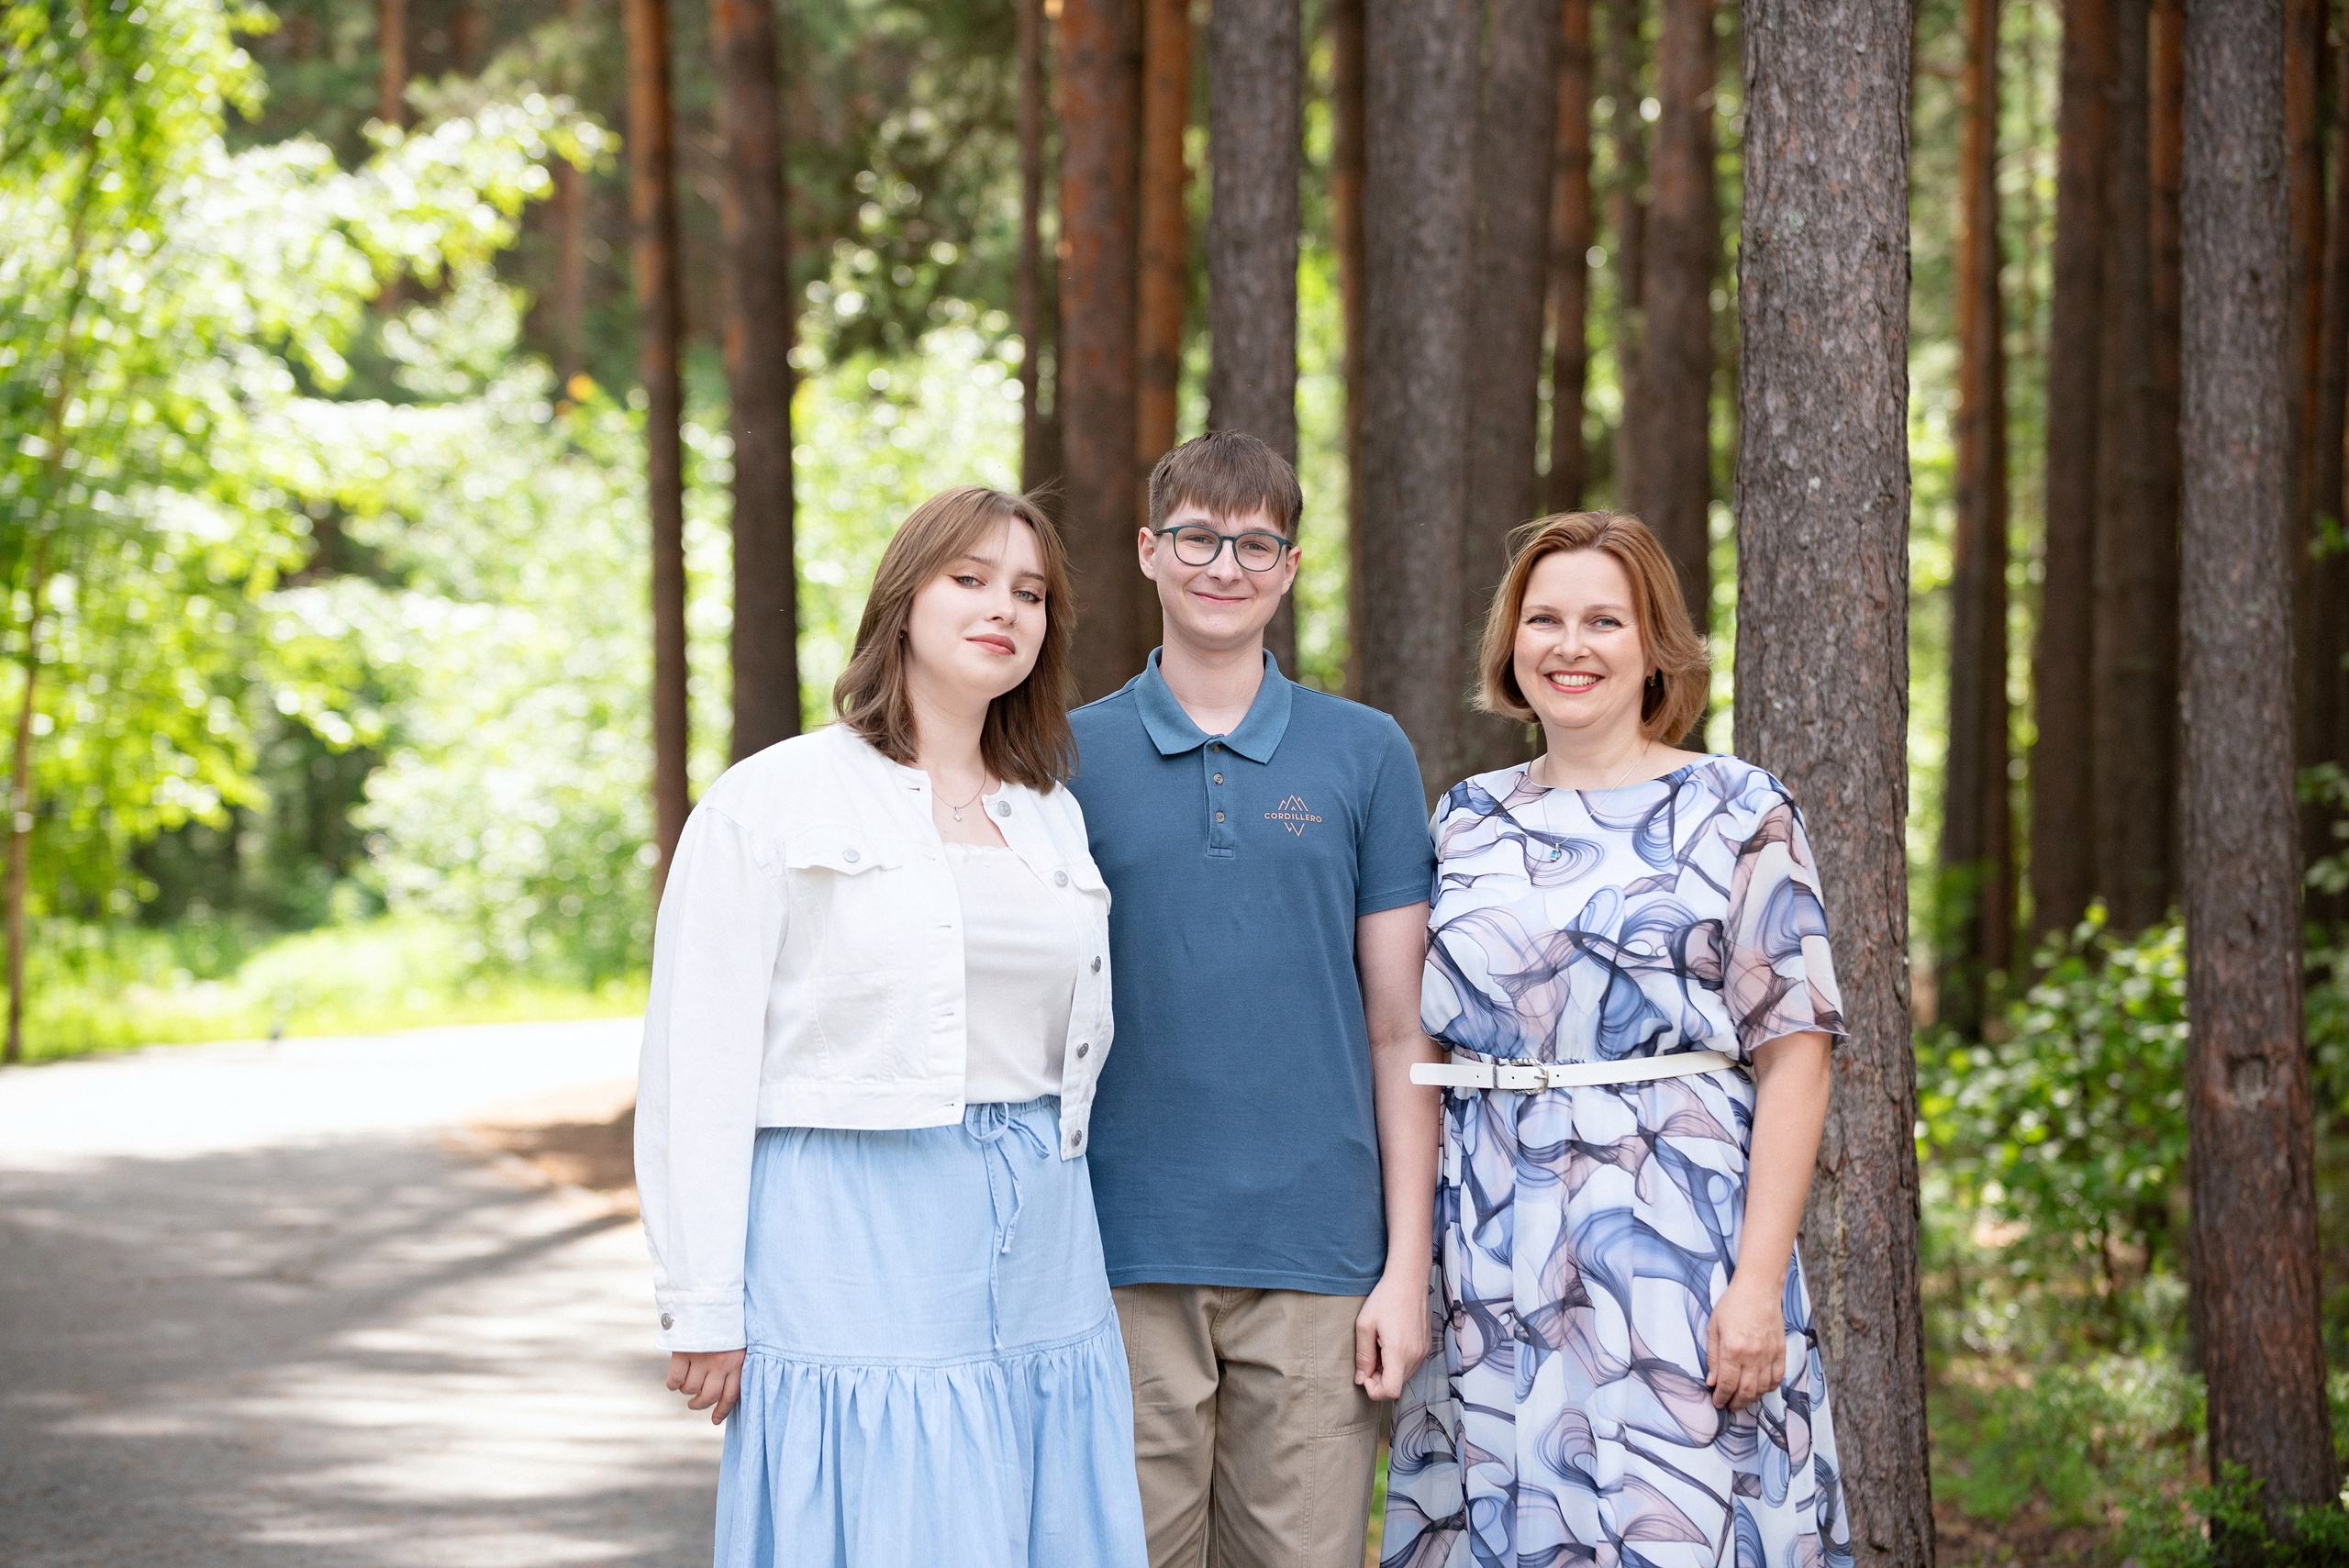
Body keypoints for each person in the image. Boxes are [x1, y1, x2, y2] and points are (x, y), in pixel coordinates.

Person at [634, 485, 1148, 1568]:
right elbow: (697, 1061)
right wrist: (702, 1300)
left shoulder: (1049, 811)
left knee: (1039, 1505)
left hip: (1042, 1223)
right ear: (903, 600)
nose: (1002, 607)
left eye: (1030, 592)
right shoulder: (772, 798)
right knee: (895, 1512)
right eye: (969, 578)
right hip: (851, 1222)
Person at [1379, 510, 1853, 1568]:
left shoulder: (1736, 805)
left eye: (1603, 620)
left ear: (1654, 647)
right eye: (1543, 619)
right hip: (1491, 1238)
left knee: (1672, 1517)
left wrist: (1756, 1282)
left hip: (1673, 1234)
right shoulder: (1464, 818)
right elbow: (1412, 1039)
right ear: (1510, 643)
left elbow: (1796, 1054)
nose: (1570, 645)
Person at [1065, 431, 1443, 1568]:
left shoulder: (1365, 752)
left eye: (1254, 544)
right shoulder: (1063, 757)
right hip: (1115, 1251)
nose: (1223, 566)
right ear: (1148, 549)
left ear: (1289, 566)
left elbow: (1400, 1028)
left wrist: (1406, 1266)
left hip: (1318, 1258)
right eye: (1197, 538)